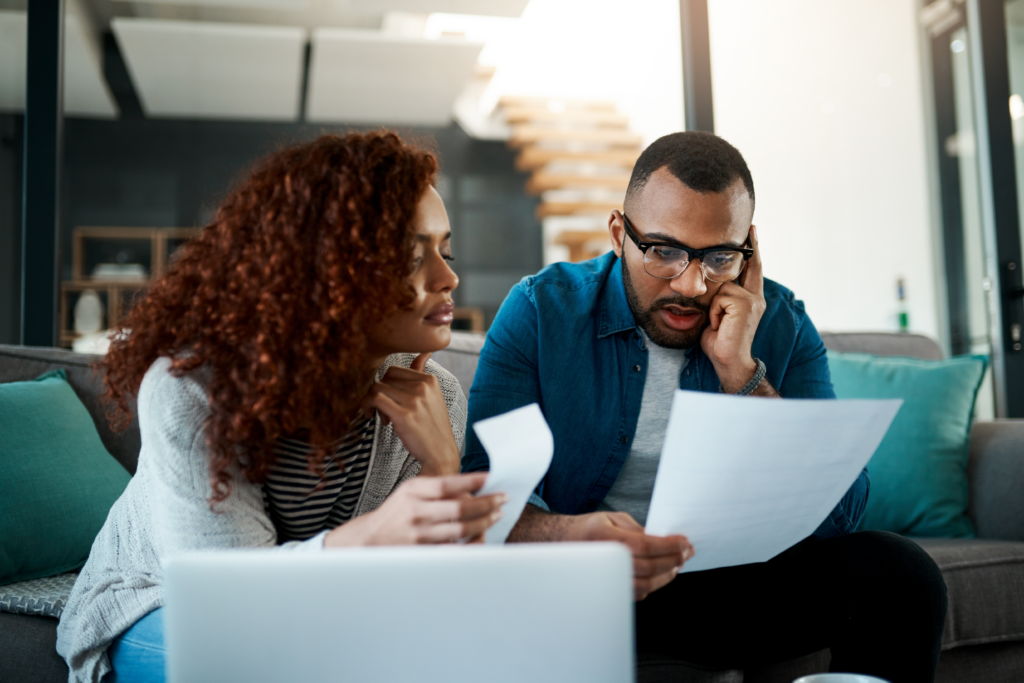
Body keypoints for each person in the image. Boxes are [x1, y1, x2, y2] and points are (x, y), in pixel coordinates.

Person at [464, 131, 947, 682]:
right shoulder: (540, 310)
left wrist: (742, 374)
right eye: (664, 251)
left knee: (901, 574)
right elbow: (482, 495)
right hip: (580, 587)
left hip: (726, 590)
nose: (692, 285)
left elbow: (839, 518)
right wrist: (571, 536)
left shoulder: (782, 322)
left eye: (719, 256)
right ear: (619, 232)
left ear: (750, 249)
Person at [57, 131, 506, 683]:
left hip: (328, 621)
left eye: (447, 250)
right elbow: (230, 612)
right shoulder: (194, 391)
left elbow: (437, 600)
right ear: (328, 271)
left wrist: (442, 470)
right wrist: (368, 540)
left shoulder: (434, 395)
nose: (448, 277)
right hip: (166, 606)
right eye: (414, 258)